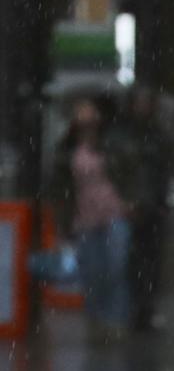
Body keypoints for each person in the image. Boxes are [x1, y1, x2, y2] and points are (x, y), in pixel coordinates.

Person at [50, 94, 138, 338]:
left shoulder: (112, 142)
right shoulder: (68, 147)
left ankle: (116, 320)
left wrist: (131, 201)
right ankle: (96, 320)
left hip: (114, 211)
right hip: (84, 215)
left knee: (116, 267)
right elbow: (60, 186)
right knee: (91, 271)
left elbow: (130, 171)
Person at [124, 84, 174, 332]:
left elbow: (163, 172)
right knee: (132, 263)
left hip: (152, 208)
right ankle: (134, 310)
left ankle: (146, 309)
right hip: (131, 209)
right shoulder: (126, 136)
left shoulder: (157, 136)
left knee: (150, 263)